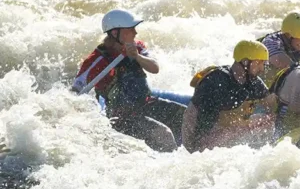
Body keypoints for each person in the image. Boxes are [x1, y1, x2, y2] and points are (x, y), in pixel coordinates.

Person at [72, 9, 185, 152]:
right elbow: (76, 91)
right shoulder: (97, 60)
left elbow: (155, 68)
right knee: (163, 134)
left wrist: (137, 56)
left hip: (144, 103)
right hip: (120, 117)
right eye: (130, 29)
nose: (135, 32)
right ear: (115, 33)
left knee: (187, 117)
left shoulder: (137, 47)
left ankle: (191, 152)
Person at [181, 40, 276, 152]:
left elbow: (270, 102)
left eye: (263, 64)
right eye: (259, 63)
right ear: (245, 61)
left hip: (225, 130)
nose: (262, 69)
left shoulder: (252, 81)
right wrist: (198, 149)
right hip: (200, 136)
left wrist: (274, 111)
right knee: (241, 129)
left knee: (267, 122)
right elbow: (204, 124)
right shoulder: (216, 82)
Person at [259, 11, 300, 86]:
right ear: (289, 35)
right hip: (263, 85)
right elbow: (283, 62)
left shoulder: (299, 45)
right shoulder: (271, 41)